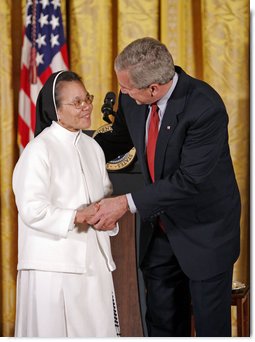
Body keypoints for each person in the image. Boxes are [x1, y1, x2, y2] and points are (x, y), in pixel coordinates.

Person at [92, 37, 241, 337]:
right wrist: (74, 147)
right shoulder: (133, 101)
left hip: (204, 234)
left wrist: (125, 203)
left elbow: (188, 180)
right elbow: (119, 138)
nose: (122, 92)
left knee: (211, 329)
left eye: (128, 88)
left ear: (153, 89)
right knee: (162, 325)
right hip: (160, 231)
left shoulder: (204, 107)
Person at [12, 70, 120, 337]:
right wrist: (76, 216)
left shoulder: (93, 147)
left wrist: (107, 217)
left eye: (87, 98)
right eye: (77, 102)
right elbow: (31, 209)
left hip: (94, 263)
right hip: (54, 267)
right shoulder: (39, 150)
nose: (86, 107)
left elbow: (103, 198)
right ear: (56, 111)